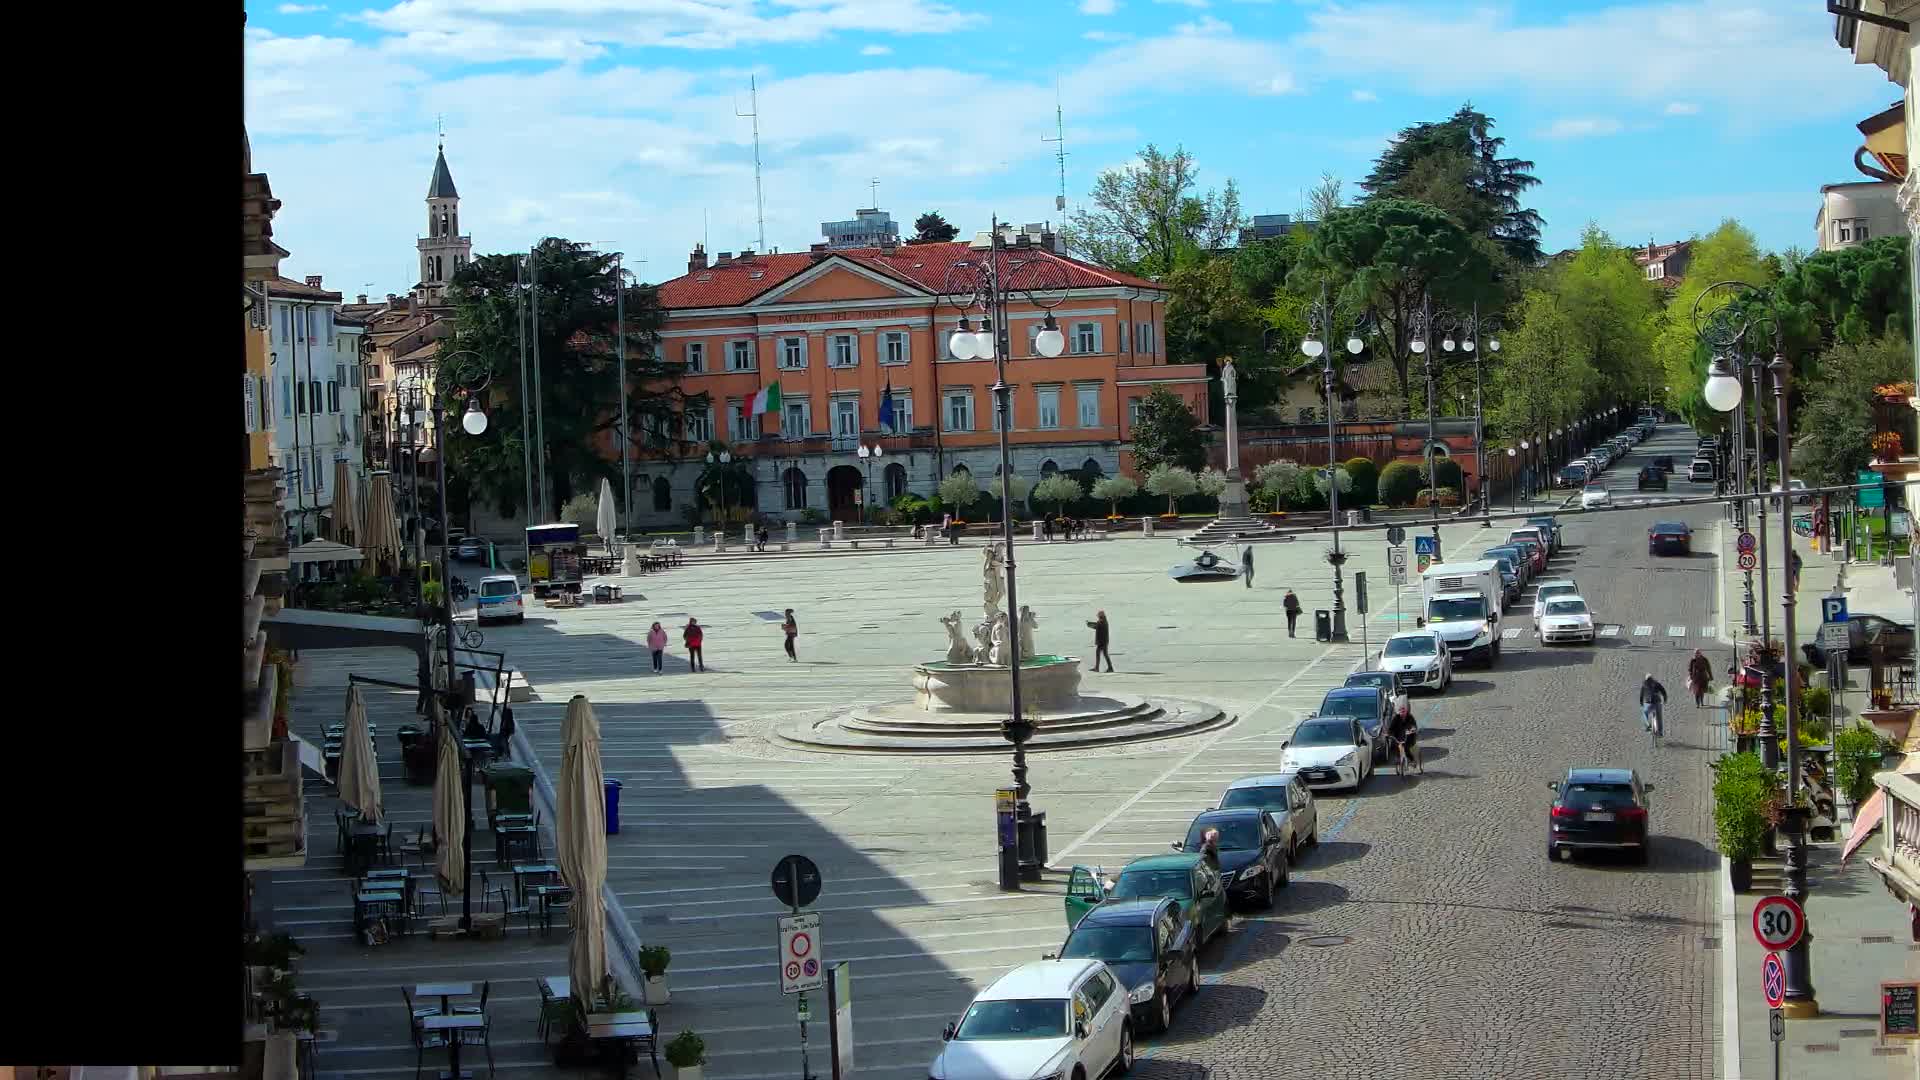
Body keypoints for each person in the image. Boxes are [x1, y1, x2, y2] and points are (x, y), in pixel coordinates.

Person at [1388, 699, 1421, 773]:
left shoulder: (1410, 717)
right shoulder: (1396, 718)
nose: (1402, 713)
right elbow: (1391, 728)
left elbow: (1413, 725)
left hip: (1409, 737)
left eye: (1404, 711)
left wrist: (1412, 730)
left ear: (1406, 711)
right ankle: (1398, 761)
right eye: (1401, 712)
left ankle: (1412, 760)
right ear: (1399, 712)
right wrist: (1389, 734)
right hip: (1398, 737)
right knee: (1394, 747)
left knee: (1406, 748)